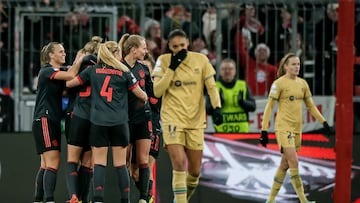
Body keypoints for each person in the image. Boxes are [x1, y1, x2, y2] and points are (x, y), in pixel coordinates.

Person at [66, 41, 148, 203]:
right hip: (120, 122)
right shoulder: (124, 71)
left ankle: (97, 199)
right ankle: (125, 200)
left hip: (99, 122)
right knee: (120, 164)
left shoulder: (92, 70)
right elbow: (143, 96)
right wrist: (134, 106)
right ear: (115, 54)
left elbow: (70, 84)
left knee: (99, 164)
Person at [153, 29, 223, 203]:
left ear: (188, 43)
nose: (179, 49)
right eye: (175, 46)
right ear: (169, 46)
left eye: (182, 45)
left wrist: (217, 107)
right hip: (172, 119)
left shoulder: (201, 60)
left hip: (195, 120)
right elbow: (157, 91)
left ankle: (180, 200)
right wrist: (172, 68)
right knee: (178, 164)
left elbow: (212, 87)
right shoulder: (163, 61)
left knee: (195, 171)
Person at [259, 53, 331, 203]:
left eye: (298, 64)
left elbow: (311, 106)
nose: (297, 67)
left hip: (297, 128)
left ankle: (270, 200)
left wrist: (323, 122)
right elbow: (269, 107)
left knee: (284, 164)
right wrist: (264, 130)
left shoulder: (303, 84)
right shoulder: (279, 84)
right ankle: (303, 200)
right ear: (285, 66)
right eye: (293, 64)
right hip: (283, 127)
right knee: (294, 161)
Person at [32, 42, 84, 203]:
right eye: (60, 51)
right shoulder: (47, 71)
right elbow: (70, 75)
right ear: (51, 55)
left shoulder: (56, 71)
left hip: (49, 119)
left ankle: (39, 199)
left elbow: (67, 73)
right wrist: (80, 59)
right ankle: (48, 199)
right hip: (45, 119)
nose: (64, 53)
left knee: (45, 163)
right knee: (53, 162)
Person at [64, 36, 102, 203]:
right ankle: (83, 199)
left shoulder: (76, 67)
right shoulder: (103, 68)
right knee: (87, 163)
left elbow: (67, 86)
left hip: (76, 115)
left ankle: (74, 197)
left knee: (72, 160)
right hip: (96, 118)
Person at [118, 33, 153, 203]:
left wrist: (155, 117)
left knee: (143, 160)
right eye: (143, 48)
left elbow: (152, 96)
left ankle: (144, 198)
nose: (146, 51)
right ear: (133, 50)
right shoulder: (118, 67)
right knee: (125, 163)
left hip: (143, 118)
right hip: (124, 120)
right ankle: (126, 198)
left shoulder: (144, 69)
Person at [211, 58, 256, 133]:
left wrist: (243, 102)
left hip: (242, 132)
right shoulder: (214, 87)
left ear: (235, 71)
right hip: (221, 132)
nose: (227, 71)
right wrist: (218, 103)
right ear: (220, 72)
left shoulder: (243, 85)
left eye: (230, 69)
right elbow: (208, 109)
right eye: (224, 69)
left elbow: (253, 107)